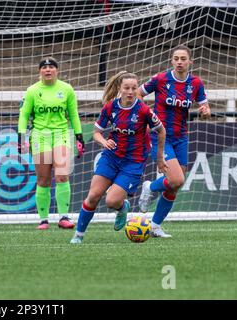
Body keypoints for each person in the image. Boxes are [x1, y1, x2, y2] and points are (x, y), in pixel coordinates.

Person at [70, 71, 167, 244]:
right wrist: (103, 142)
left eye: (134, 88)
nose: (130, 91)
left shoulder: (143, 110)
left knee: (111, 201)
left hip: (133, 162)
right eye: (127, 88)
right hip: (111, 157)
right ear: (120, 89)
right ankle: (78, 235)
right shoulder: (110, 107)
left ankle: (122, 207)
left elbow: (161, 130)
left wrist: (160, 158)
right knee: (93, 196)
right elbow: (97, 133)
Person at [137, 45, 211, 238]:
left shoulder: (195, 83)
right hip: (160, 136)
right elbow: (138, 94)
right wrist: (145, 116)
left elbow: (204, 106)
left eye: (183, 59)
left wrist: (205, 112)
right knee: (177, 179)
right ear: (171, 61)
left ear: (190, 62)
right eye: (176, 58)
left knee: (175, 185)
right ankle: (150, 187)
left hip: (181, 137)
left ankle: (154, 225)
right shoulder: (161, 79)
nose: (179, 62)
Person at [17, 57, 85, 230]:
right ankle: (43, 219)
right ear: (40, 71)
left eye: (51, 67)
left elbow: (73, 114)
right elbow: (24, 114)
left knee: (62, 175)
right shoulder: (32, 91)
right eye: (44, 67)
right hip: (40, 135)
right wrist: (21, 137)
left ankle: (64, 217)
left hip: (61, 134)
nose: (48, 70)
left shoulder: (66, 89)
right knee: (43, 179)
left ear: (57, 70)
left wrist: (79, 136)